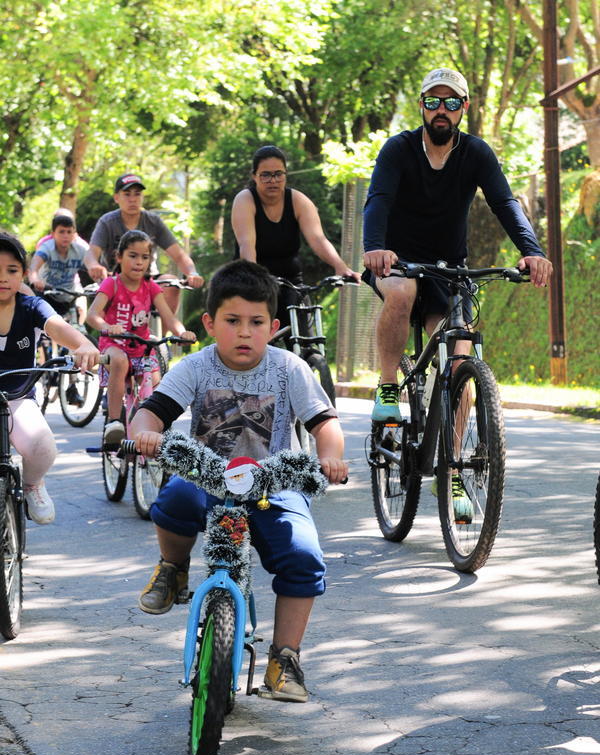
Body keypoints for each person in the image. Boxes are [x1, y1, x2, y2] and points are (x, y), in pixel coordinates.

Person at [129, 259, 349, 703]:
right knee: (172, 497)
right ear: (210, 323)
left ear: (275, 326)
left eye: (256, 322)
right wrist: (144, 433)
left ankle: (284, 659)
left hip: (272, 488)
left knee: (303, 556)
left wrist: (331, 458)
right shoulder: (195, 367)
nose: (245, 332)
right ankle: (173, 568)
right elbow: (153, 410)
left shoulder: (289, 369)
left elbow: (325, 423)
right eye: (232, 321)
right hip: (208, 481)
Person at [363, 67, 553, 517]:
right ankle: (389, 387)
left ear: (464, 108)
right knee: (403, 293)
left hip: (450, 271)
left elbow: (506, 202)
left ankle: (450, 477)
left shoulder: (476, 154)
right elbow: (379, 200)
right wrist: (375, 249)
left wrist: (532, 251)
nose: (442, 110)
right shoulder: (399, 149)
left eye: (451, 102)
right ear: (422, 107)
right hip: (398, 263)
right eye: (434, 101)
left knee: (461, 362)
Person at [0, 231, 99, 524]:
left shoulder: (31, 306)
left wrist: (84, 345)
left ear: (24, 274)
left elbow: (58, 326)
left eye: (12, 270)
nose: (3, 277)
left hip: (17, 400)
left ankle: (31, 485)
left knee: (43, 446)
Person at [231, 145, 360, 336]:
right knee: (256, 339)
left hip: (290, 281)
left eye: (278, 174)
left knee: (304, 338)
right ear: (254, 176)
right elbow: (247, 245)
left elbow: (318, 239)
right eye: (265, 175)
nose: (272, 180)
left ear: (286, 174)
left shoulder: (298, 201)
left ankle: (309, 360)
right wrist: (256, 278)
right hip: (253, 279)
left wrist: (340, 267)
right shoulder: (245, 200)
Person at [86, 230, 196, 446]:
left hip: (140, 349)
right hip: (113, 347)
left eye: (145, 257)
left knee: (156, 383)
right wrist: (108, 327)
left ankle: (154, 428)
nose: (139, 262)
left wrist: (181, 332)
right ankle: (114, 422)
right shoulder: (112, 284)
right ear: (119, 257)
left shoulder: (151, 287)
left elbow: (169, 317)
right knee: (119, 361)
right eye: (133, 256)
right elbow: (92, 316)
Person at [84, 173, 204, 318]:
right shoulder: (107, 222)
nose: (133, 199)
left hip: (148, 278)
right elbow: (91, 253)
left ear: (142, 197)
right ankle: (112, 336)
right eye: (127, 194)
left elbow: (179, 255)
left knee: (171, 283)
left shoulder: (153, 221)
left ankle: (165, 338)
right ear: (117, 198)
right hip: (117, 279)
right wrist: (94, 266)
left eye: (137, 194)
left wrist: (192, 273)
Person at [28, 210, 90, 325]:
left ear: (74, 233)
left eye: (69, 232)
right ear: (53, 234)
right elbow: (34, 267)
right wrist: (35, 280)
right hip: (47, 291)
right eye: (61, 232)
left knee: (80, 310)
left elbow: (93, 265)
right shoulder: (46, 247)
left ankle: (80, 330)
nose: (65, 236)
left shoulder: (81, 249)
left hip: (69, 291)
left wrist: (102, 279)